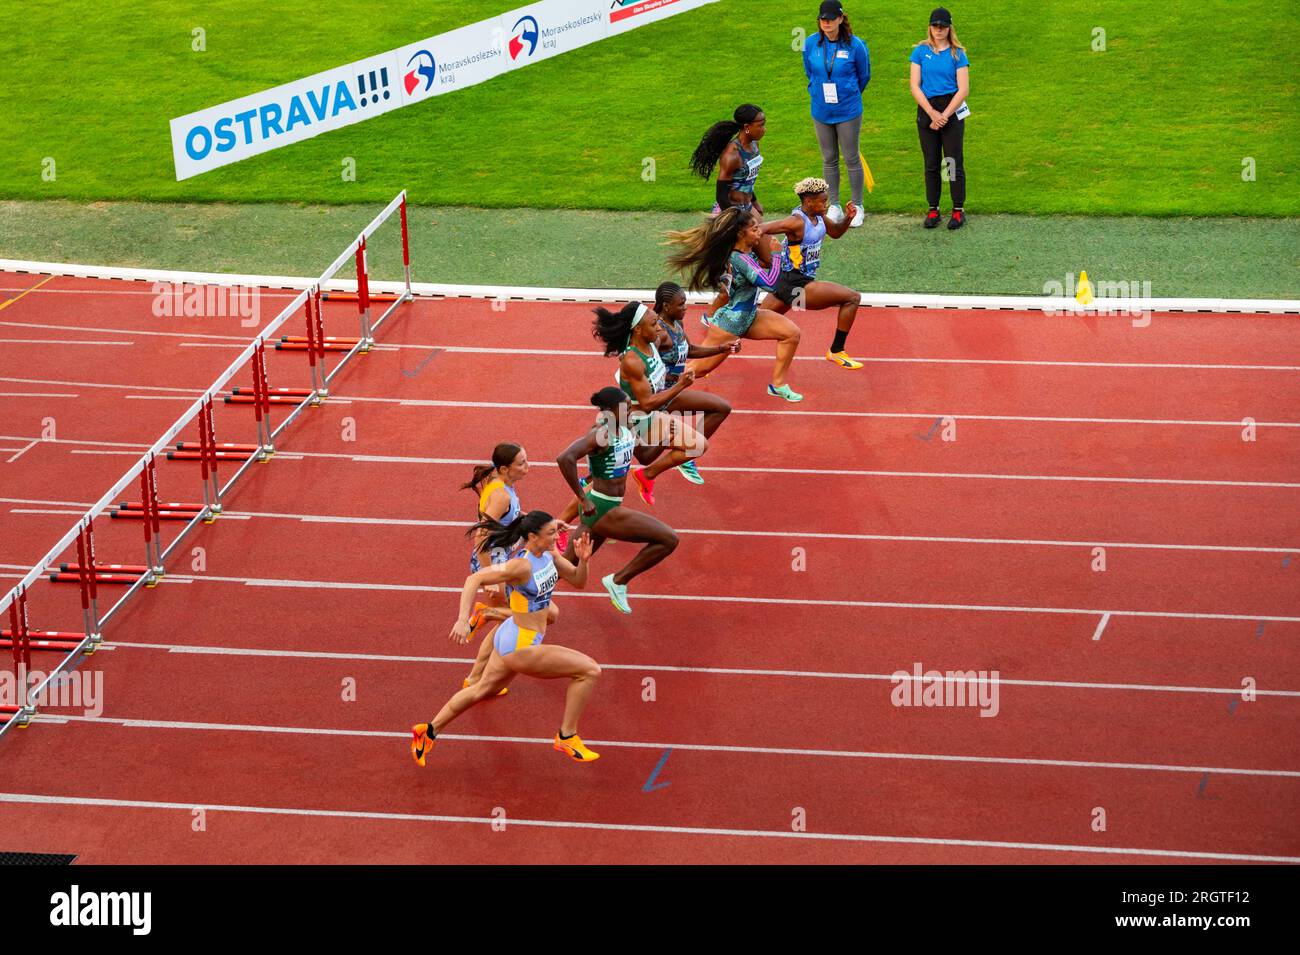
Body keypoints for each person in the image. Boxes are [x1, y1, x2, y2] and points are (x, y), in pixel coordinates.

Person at [410, 511, 602, 765]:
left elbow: (578, 581)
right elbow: (474, 578)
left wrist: (584, 560)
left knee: (480, 690)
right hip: (521, 645)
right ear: (532, 537)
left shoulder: (549, 554)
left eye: (555, 531)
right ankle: (566, 735)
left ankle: (428, 731)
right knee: (589, 671)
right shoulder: (520, 566)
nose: (558, 536)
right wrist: (461, 619)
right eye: (552, 533)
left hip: (510, 635)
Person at [556, 387, 681, 615]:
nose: (632, 408)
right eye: (627, 406)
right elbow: (565, 458)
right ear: (611, 411)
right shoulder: (600, 434)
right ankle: (618, 580)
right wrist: (583, 499)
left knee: (565, 568)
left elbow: (645, 456)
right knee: (668, 539)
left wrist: (664, 441)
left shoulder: (628, 428)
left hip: (605, 508)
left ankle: (519, 592)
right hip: (602, 506)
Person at [667, 207, 805, 402]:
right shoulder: (738, 258)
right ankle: (656, 385)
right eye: (755, 229)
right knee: (696, 370)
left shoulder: (746, 254)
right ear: (741, 234)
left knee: (791, 334)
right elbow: (770, 283)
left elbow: (762, 271)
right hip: (730, 325)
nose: (760, 232)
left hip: (749, 317)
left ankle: (778, 384)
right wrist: (776, 255)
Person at [458, 444, 553, 696]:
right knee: (519, 616)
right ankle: (485, 618)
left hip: (504, 556)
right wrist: (488, 574)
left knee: (518, 617)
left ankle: (475, 676)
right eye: (521, 463)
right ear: (504, 469)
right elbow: (481, 534)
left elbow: (505, 519)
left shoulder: (504, 485)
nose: (528, 466)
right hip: (494, 561)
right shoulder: (501, 495)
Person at [759, 177, 864, 369]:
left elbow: (836, 233)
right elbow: (762, 228)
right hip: (796, 285)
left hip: (784, 285)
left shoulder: (819, 216)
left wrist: (848, 218)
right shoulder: (796, 222)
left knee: (746, 325)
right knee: (852, 298)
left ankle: (705, 359)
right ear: (808, 201)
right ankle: (836, 351)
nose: (826, 204)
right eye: (822, 201)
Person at [803, 1, 871, 228]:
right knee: (829, 158)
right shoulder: (811, 43)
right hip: (821, 110)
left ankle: (858, 206)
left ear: (841, 19)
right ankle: (834, 205)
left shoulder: (855, 45)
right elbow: (809, 71)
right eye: (823, 19)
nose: (827, 23)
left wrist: (848, 94)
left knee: (851, 157)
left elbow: (864, 75)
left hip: (848, 110)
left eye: (831, 19)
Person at [909, 7, 970, 230]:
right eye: (936, 26)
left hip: (951, 109)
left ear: (949, 28)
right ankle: (933, 208)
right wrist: (932, 113)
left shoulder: (957, 54)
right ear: (930, 27)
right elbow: (915, 86)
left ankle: (957, 210)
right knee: (932, 162)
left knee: (952, 161)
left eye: (943, 26)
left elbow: (963, 89)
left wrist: (944, 115)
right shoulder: (920, 52)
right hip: (927, 109)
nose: (939, 30)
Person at [690, 104, 766, 216]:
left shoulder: (754, 146)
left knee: (765, 233)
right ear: (747, 127)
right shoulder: (732, 155)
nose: (764, 129)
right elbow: (721, 196)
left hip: (747, 205)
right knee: (762, 233)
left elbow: (746, 179)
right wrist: (737, 219)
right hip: (729, 209)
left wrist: (755, 202)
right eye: (760, 125)